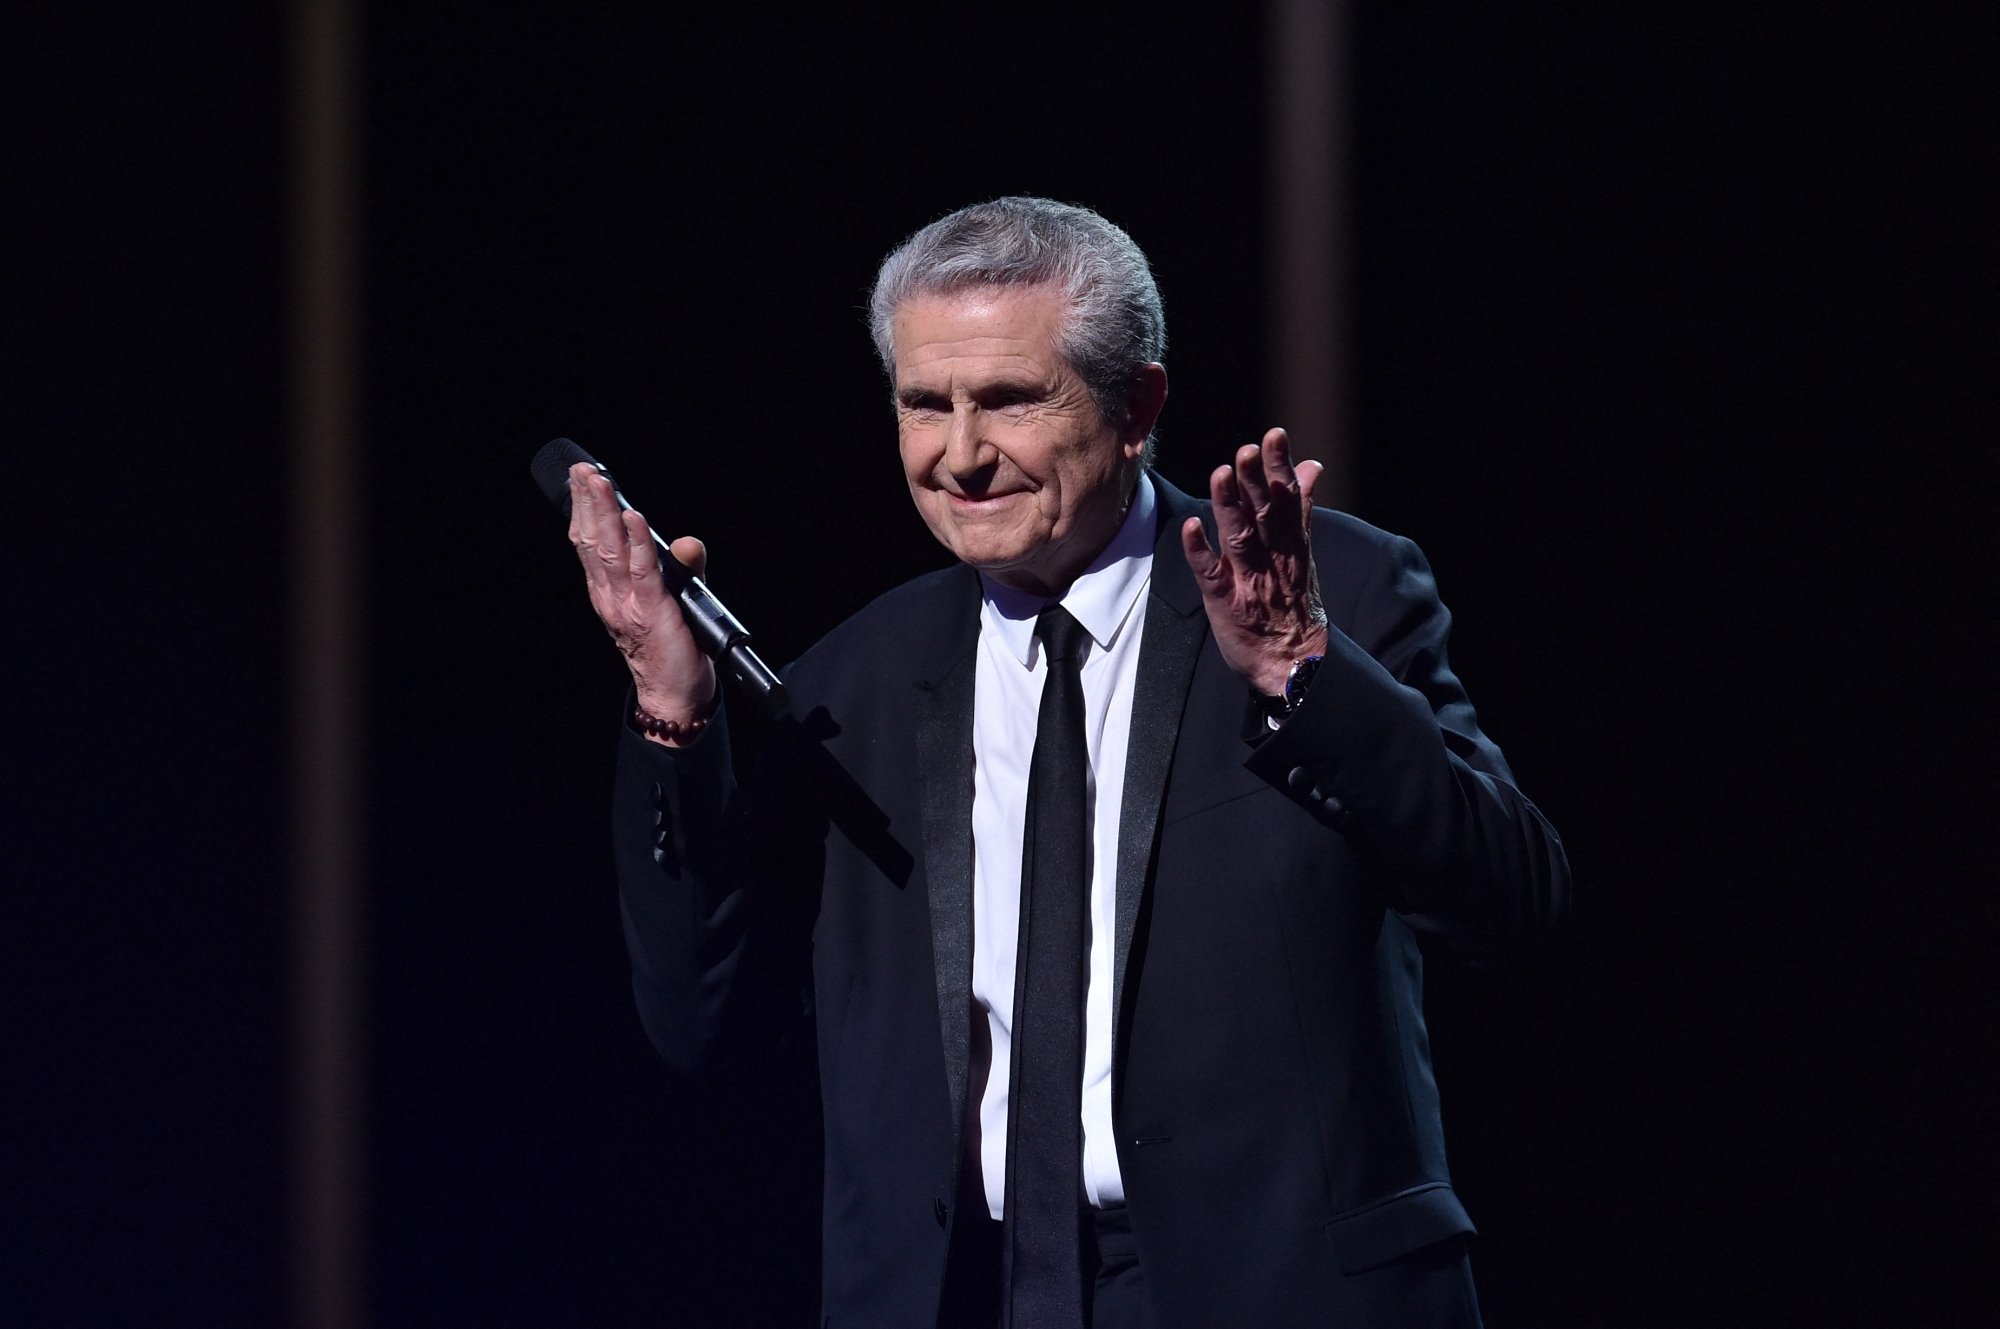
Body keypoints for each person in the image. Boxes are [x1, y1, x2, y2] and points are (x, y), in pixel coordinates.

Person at [565, 197, 1569, 1328]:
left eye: (1007, 401)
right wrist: (670, 713)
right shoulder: (853, 684)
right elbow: (703, 1018)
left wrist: (1302, 673)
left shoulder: (1327, 594)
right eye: (922, 405)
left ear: (1135, 405)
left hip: (1277, 1291)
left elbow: (1508, 907)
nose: (958, 456)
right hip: (965, 1297)